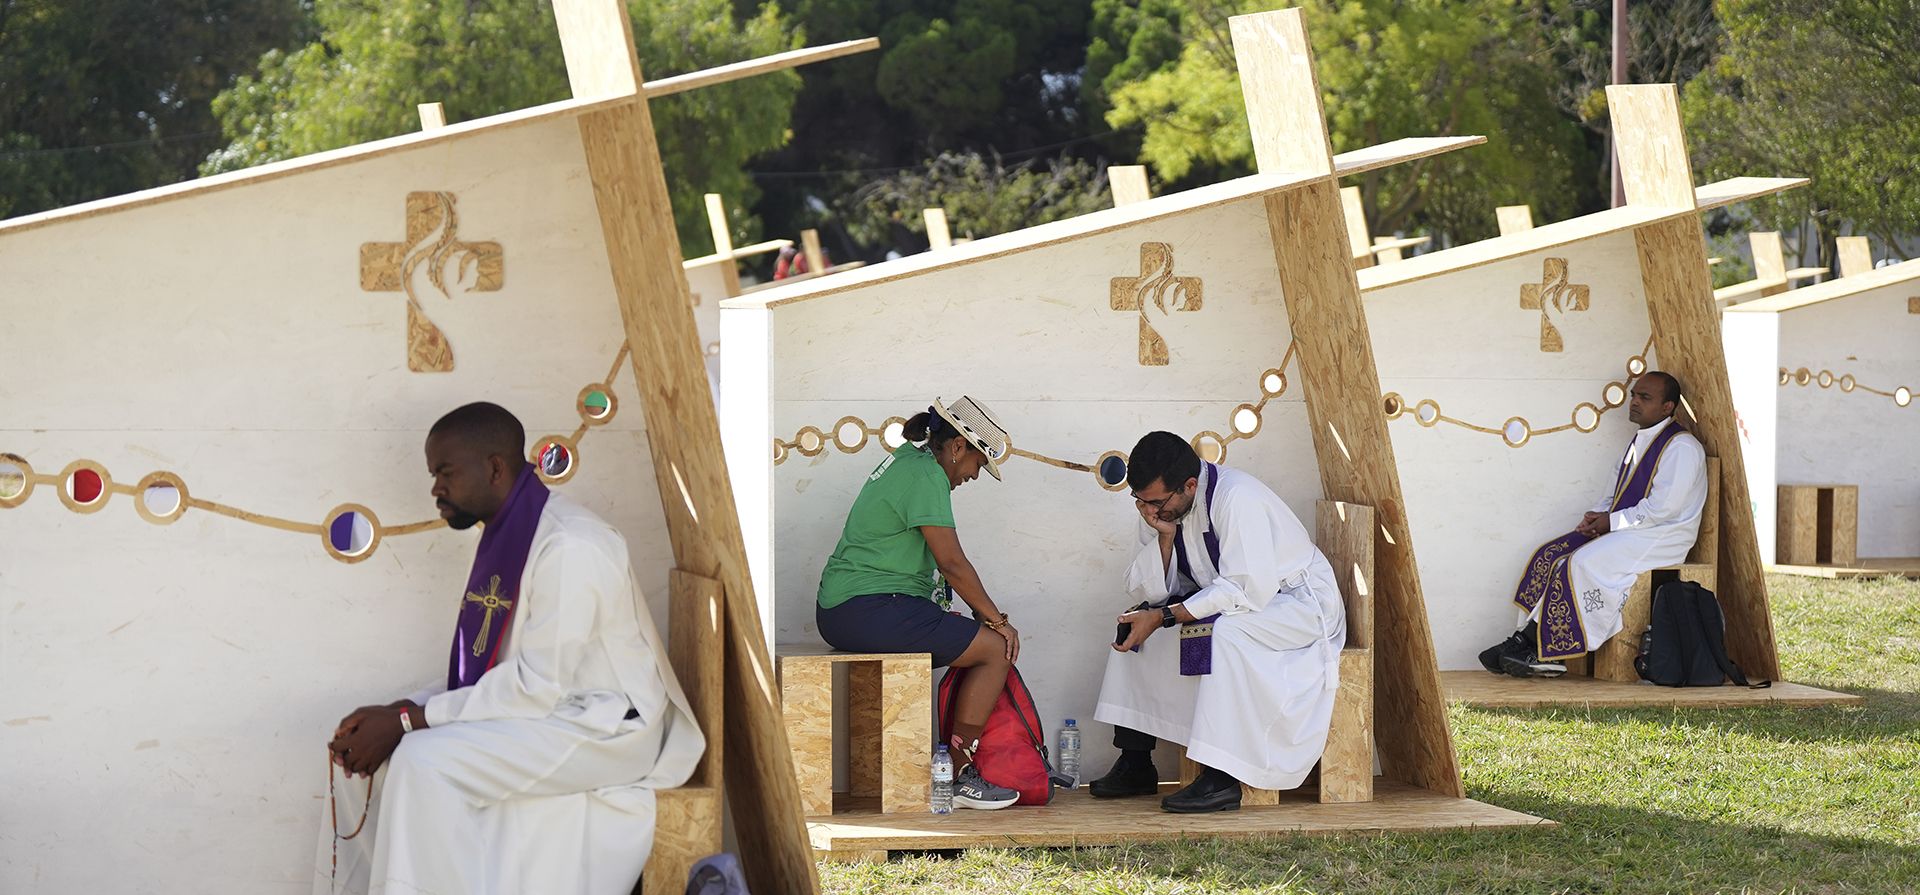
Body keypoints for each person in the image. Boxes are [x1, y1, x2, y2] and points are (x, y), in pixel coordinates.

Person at [318, 402, 703, 894]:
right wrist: (403, 710)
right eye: (434, 474)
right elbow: (494, 670)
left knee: (422, 761)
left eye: (445, 473)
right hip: (551, 712)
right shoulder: (510, 535)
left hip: (606, 729)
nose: (435, 488)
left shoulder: (571, 545)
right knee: (373, 755)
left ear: (495, 468)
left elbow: (536, 685)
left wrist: (409, 720)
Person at [1088, 432, 1347, 813]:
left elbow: (1246, 588)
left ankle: (1221, 778)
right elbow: (1147, 588)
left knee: (1221, 634)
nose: (1148, 511)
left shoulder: (1237, 497)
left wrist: (1165, 616)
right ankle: (1136, 762)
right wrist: (1164, 539)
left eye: (1156, 502)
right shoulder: (1159, 506)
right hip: (1235, 598)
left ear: (1190, 485)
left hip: (1296, 605)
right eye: (1140, 501)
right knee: (1136, 626)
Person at [814, 396, 1022, 810]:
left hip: (848, 608)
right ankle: (959, 774)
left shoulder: (910, 459)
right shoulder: (927, 475)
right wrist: (998, 620)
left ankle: (956, 769)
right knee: (997, 648)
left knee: (974, 635)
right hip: (870, 607)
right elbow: (952, 563)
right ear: (958, 446)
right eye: (978, 463)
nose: (973, 475)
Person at [1481, 371, 1708, 677]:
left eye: (1645, 397)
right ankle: (1522, 640)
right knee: (1551, 554)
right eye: (1634, 395)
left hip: (1663, 535)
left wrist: (1610, 522)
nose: (1634, 402)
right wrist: (1596, 516)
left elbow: (1663, 509)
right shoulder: (1639, 441)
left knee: (1582, 563)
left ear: (1668, 407)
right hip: (1632, 527)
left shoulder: (1682, 448)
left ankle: (1545, 653)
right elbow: (1615, 490)